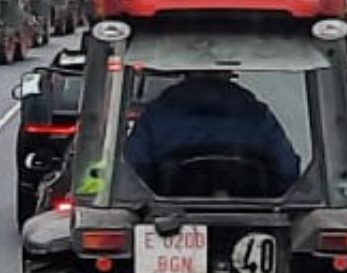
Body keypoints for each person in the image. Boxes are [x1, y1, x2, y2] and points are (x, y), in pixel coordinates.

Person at [125, 72, 300, 193]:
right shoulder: (257, 113)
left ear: (186, 71)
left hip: (172, 222)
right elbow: (287, 169)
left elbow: (134, 170)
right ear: (228, 71)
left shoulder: (158, 113)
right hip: (249, 221)